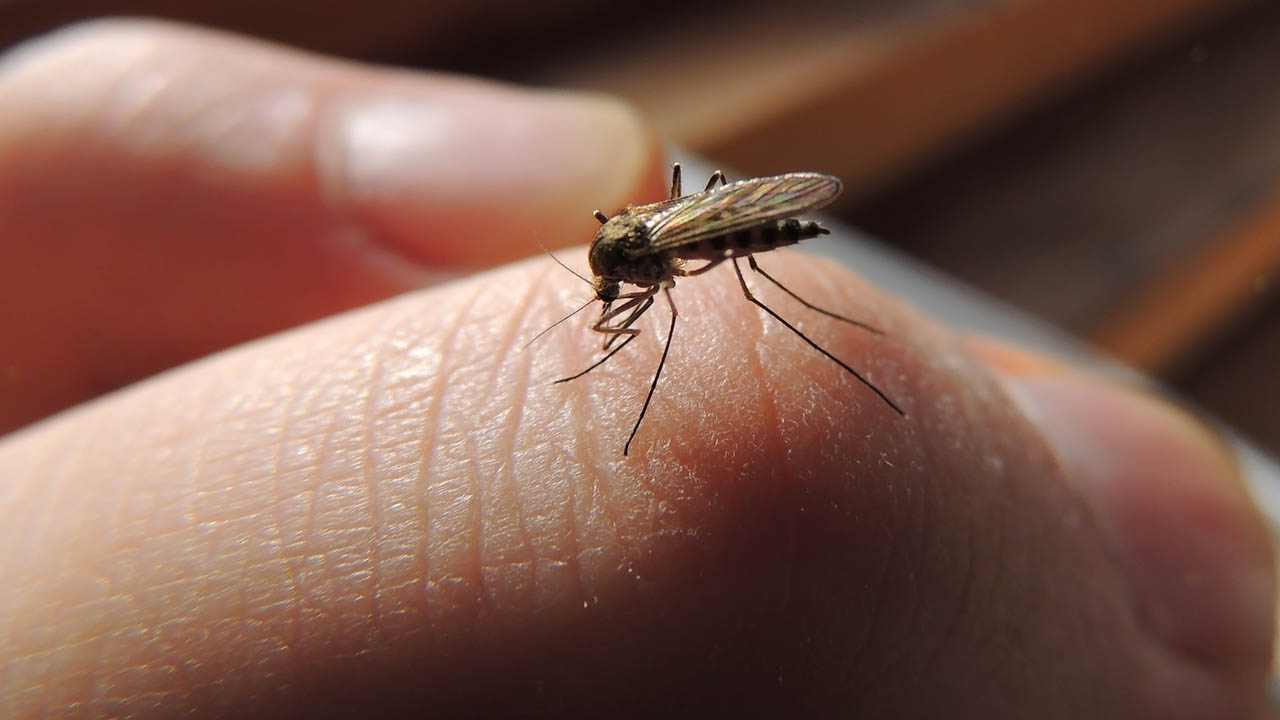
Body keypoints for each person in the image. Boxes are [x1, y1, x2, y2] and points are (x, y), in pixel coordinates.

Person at [0, 20, 1272, 718]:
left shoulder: (649, 252)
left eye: (613, 265)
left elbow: (667, 274)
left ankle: (825, 330)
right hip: (706, 222)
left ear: (622, 249)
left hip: (734, 226)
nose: (609, 280)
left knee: (747, 287)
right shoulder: (626, 253)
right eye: (614, 266)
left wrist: (676, 272)